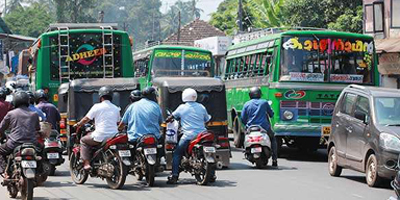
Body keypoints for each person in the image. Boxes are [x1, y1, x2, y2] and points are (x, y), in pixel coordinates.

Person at [166, 88, 211, 184]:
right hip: (202, 134)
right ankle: (212, 174)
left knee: (177, 153)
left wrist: (168, 119)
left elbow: (171, 117)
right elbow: (207, 119)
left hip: (188, 135)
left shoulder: (182, 107)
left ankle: (174, 176)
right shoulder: (201, 107)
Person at [74, 86, 120, 170]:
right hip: (114, 135)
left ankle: (86, 164)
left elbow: (86, 118)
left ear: (101, 97)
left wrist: (79, 124)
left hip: (100, 136)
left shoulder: (97, 106)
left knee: (83, 140)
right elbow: (118, 122)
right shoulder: (116, 108)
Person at [0, 91, 41, 174]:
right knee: (42, 150)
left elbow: (1, 128)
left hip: (14, 143)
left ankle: (4, 170)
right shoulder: (34, 114)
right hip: (32, 143)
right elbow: (38, 128)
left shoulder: (11, 113)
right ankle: (40, 170)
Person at [241, 87, 278, 167]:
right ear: (259, 94)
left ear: (250, 95)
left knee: (245, 137)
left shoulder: (246, 104)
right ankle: (274, 159)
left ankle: (245, 150)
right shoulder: (264, 102)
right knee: (273, 139)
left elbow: (243, 119)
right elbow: (271, 114)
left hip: (250, 128)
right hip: (264, 127)